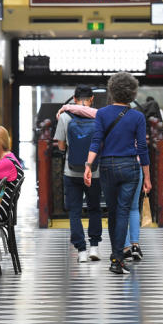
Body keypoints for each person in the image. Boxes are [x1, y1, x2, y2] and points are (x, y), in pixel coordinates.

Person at [84, 73, 151, 275]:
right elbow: (142, 149)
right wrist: (147, 176)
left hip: (106, 166)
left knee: (113, 212)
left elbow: (96, 141)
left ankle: (116, 257)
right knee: (123, 211)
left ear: (111, 91)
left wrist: (88, 165)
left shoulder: (102, 114)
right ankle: (116, 259)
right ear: (132, 93)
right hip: (130, 166)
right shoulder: (137, 116)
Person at [55, 85, 103, 263]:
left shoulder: (65, 117)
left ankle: (81, 250)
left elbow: (60, 146)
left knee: (74, 211)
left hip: (71, 171)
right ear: (92, 99)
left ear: (74, 99)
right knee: (94, 209)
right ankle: (94, 247)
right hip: (94, 172)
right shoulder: (99, 117)